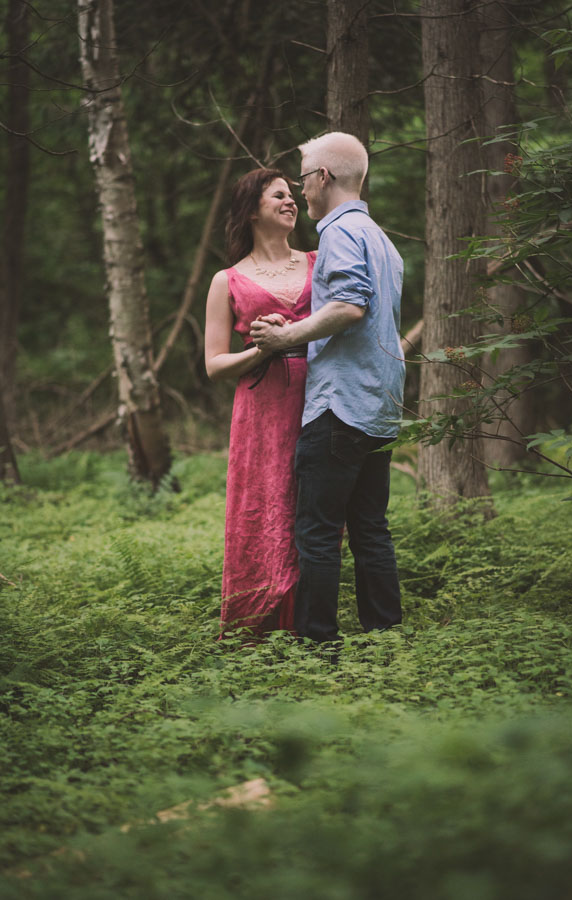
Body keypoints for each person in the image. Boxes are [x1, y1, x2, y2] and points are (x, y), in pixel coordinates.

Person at [250, 132, 405, 644]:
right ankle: (384, 641)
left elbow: (349, 306)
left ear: (323, 178)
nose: (302, 192)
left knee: (317, 535)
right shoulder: (382, 240)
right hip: (379, 409)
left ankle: (319, 646)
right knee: (370, 531)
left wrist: (283, 337)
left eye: (304, 179)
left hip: (339, 406)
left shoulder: (338, 233)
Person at [205, 168, 316, 637]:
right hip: (262, 408)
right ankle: (258, 623)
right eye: (279, 196)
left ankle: (310, 621)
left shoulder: (318, 260)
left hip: (320, 398)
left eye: (292, 195)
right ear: (252, 209)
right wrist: (262, 349)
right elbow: (214, 364)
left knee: (311, 505)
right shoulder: (226, 280)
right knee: (264, 504)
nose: (291, 202)